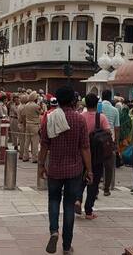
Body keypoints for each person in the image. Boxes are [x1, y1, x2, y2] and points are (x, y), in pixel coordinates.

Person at [39, 86, 92, 255]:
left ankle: (54, 231)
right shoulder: (79, 120)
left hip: (54, 168)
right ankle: (67, 246)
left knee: (53, 201)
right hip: (74, 170)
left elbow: (44, 145)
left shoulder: (50, 118)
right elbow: (85, 147)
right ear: (73, 101)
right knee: (69, 206)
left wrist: (40, 165)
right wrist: (89, 169)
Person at [77, 93, 110, 219]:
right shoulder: (101, 118)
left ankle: (78, 200)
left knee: (80, 179)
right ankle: (89, 211)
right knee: (93, 182)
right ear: (97, 104)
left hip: (81, 153)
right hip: (96, 155)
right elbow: (108, 132)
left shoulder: (80, 116)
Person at [99, 90, 120, 194]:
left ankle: (95, 188)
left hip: (97, 138)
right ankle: (106, 188)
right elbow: (117, 128)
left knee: (97, 164)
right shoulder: (115, 110)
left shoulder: (98, 108)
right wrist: (116, 142)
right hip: (109, 139)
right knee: (109, 165)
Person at [19, 92, 42, 163]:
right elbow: (41, 112)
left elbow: (23, 115)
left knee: (27, 141)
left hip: (28, 124)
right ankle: (34, 158)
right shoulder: (36, 106)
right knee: (35, 142)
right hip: (34, 125)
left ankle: (25, 156)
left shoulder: (26, 105)